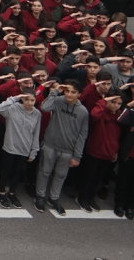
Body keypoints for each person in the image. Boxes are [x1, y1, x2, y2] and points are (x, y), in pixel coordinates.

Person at [34, 79, 88, 215]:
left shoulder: (83, 111)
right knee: (44, 171)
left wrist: (77, 156)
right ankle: (40, 196)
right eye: (67, 91)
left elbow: (83, 135)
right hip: (50, 144)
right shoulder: (58, 101)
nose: (69, 94)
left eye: (73, 92)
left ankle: (54, 198)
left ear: (79, 94)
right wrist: (55, 92)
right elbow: (44, 107)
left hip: (68, 150)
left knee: (60, 175)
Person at [0, 92, 40, 208]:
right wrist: (15, 98)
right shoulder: (13, 108)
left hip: (24, 148)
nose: (29, 103)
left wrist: (34, 151)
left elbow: (36, 133)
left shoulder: (37, 114)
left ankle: (12, 193)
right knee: (5, 171)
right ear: (22, 100)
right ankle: (2, 193)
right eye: (26, 100)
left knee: (17, 173)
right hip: (10, 147)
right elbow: (0, 108)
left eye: (32, 100)